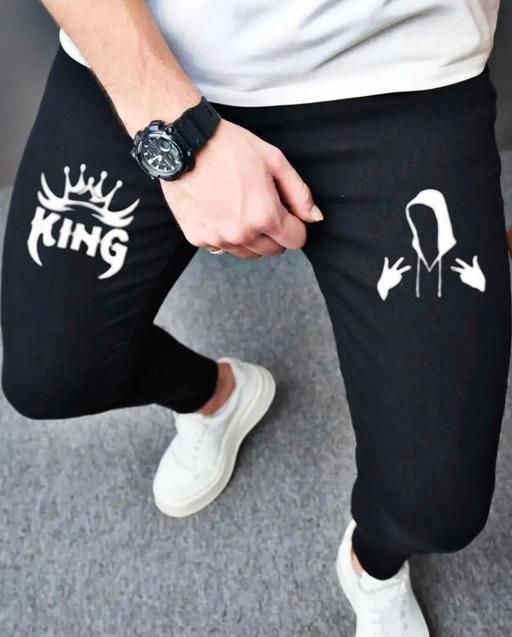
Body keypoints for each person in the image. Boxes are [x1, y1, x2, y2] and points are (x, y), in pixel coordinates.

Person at [1, 1, 510, 635]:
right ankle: (217, 398)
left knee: (435, 508)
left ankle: (372, 567)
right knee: (51, 375)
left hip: (400, 67)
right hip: (148, 49)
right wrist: (175, 132)